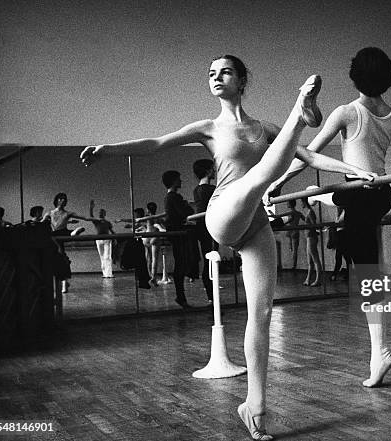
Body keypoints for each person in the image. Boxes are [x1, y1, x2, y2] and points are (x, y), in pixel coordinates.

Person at [80, 54, 374, 441]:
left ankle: (254, 406)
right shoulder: (207, 128)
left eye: (225, 73)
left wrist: (354, 170)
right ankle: (299, 111)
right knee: (261, 177)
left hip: (255, 224)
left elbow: (308, 156)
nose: (217, 78)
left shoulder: (263, 128)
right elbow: (155, 143)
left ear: (241, 80)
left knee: (263, 313)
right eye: (211, 74)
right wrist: (107, 149)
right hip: (224, 211)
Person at [268, 47, 391, 388]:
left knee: (364, 267)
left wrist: (276, 181)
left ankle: (379, 351)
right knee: (357, 252)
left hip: (361, 191)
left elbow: (309, 154)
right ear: (387, 77)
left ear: (355, 76)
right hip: (378, 193)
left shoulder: (347, 112)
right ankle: (377, 349)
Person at [162, 170, 200, 308]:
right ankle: (180, 296)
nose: (181, 181)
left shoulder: (170, 197)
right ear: (173, 181)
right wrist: (186, 205)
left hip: (176, 233)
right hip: (178, 234)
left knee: (181, 264)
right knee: (181, 264)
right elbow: (187, 212)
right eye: (179, 179)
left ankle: (181, 296)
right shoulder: (173, 197)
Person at [47, 193, 97, 293]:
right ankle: (64, 281)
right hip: (54, 236)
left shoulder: (67, 213)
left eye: (64, 199)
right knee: (60, 257)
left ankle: (64, 282)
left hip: (61, 234)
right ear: (57, 200)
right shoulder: (50, 213)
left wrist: (96, 218)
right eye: (61, 199)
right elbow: (43, 223)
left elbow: (85, 218)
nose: (63, 201)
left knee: (61, 256)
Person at [193, 159, 218, 303]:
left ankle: (212, 297)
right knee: (211, 262)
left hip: (203, 228)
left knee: (209, 261)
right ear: (208, 171)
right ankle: (212, 298)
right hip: (209, 229)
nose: (214, 171)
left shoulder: (197, 189)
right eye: (213, 169)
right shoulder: (209, 190)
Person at [89, 200, 116, 278]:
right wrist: (91, 208)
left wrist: (115, 239)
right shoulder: (96, 221)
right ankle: (104, 273)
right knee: (102, 256)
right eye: (99, 212)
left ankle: (109, 274)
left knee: (107, 256)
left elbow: (112, 231)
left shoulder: (107, 222)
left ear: (104, 214)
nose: (100, 213)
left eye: (102, 212)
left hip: (107, 239)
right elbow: (91, 216)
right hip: (99, 240)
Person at [142, 201, 166, 286]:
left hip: (147, 237)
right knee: (154, 259)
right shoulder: (158, 218)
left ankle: (150, 276)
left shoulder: (147, 218)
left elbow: (142, 224)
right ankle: (153, 278)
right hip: (155, 237)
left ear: (148, 210)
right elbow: (162, 225)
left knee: (148, 258)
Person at [300, 198, 322, 286]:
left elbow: (314, 225)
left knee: (315, 259)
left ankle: (318, 280)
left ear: (305, 202)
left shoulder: (310, 212)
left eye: (301, 202)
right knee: (310, 261)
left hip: (312, 237)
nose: (301, 204)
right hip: (309, 237)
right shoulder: (308, 212)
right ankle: (308, 279)